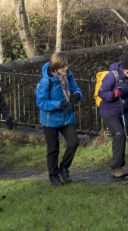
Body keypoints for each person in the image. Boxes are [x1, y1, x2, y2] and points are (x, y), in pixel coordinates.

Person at [97, 53, 128, 178]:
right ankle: (116, 168)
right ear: (123, 68)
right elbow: (102, 93)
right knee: (119, 134)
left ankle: (119, 166)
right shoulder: (112, 76)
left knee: (123, 136)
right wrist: (114, 94)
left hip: (125, 111)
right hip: (109, 111)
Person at [36, 52, 83, 186]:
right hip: (50, 120)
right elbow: (40, 101)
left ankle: (64, 168)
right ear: (56, 67)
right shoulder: (46, 81)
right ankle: (53, 176)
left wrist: (77, 95)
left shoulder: (68, 75)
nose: (66, 68)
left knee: (73, 143)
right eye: (63, 66)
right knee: (53, 149)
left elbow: (75, 89)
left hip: (66, 117)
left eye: (67, 65)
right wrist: (57, 104)